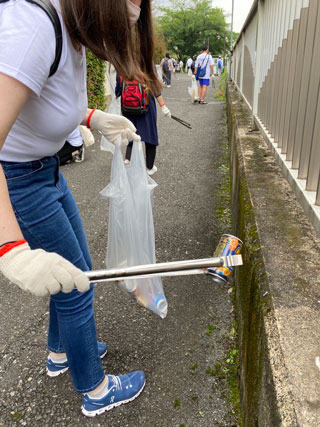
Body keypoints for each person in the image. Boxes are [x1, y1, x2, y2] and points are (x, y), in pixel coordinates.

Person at [0, 0, 163, 418]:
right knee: (78, 286)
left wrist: (92, 118)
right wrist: (9, 248)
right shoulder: (35, 26)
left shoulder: (71, 30)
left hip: (45, 172)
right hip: (19, 180)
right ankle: (95, 389)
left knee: (76, 271)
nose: (137, 8)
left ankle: (61, 352)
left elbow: (43, 99)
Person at [115, 73, 171, 175]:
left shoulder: (122, 67)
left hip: (128, 108)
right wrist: (163, 106)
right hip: (146, 107)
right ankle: (149, 168)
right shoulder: (145, 65)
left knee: (131, 134)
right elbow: (156, 89)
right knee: (150, 136)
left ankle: (128, 160)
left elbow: (117, 91)